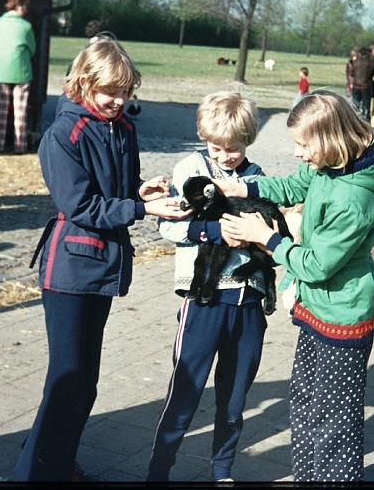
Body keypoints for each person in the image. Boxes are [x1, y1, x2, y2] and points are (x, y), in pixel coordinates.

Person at [14, 35, 190, 482]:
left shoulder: (122, 128)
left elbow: (116, 194)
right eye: (110, 91)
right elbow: (82, 207)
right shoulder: (63, 133)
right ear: (84, 81)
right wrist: (142, 208)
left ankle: (55, 464)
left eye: (125, 92)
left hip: (104, 267)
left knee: (84, 383)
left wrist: (140, 192)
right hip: (70, 268)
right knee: (66, 379)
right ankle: (37, 473)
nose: (118, 101)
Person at [215, 90, 374, 482]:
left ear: (329, 139)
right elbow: (295, 187)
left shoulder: (353, 198)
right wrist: (243, 189)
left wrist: (266, 238)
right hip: (317, 309)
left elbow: (315, 266)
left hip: (343, 316)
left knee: (334, 421)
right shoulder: (333, 166)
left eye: (302, 144)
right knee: (307, 404)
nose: (297, 153)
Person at [147, 91, 268, 483]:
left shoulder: (257, 177)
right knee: (185, 390)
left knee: (234, 399)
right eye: (216, 147)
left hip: (247, 299)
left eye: (233, 148)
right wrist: (217, 231)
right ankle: (159, 470)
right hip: (204, 299)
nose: (224, 156)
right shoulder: (190, 168)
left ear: (247, 140)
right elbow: (169, 226)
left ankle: (223, 471)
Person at [0, 0, 36, 154]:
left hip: (1, 71)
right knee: (20, 112)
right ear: (19, 6)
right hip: (21, 72)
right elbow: (32, 49)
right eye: (25, 7)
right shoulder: (26, 26)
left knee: (1, 113)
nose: (26, 10)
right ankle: (20, 146)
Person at [350, 46, 374, 122]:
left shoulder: (356, 62)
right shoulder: (371, 63)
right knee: (366, 107)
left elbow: (351, 73)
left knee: (355, 106)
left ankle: (354, 121)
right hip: (366, 86)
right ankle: (366, 122)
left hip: (356, 86)